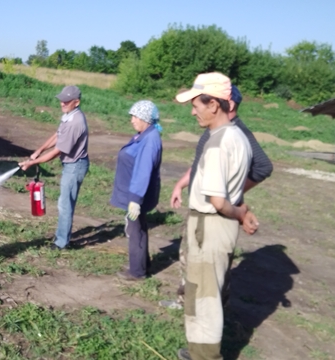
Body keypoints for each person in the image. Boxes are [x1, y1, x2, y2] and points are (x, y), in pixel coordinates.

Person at [161, 84, 273, 310]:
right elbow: (201, 164)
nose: (194, 112)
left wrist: (233, 194)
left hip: (214, 213)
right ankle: (189, 302)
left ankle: (209, 310)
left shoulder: (235, 133)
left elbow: (263, 166)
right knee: (191, 259)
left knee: (210, 270)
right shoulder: (214, 131)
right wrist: (181, 184)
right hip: (202, 208)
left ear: (225, 105)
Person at [173, 72, 254, 360]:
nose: (193, 110)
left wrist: (240, 212)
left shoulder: (219, 143)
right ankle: (198, 350)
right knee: (203, 292)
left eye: (196, 104)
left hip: (210, 225)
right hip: (214, 226)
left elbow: (219, 202)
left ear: (214, 105)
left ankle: (205, 356)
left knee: (205, 296)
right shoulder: (236, 137)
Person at [19, 85, 89, 250]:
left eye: (67, 101)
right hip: (70, 164)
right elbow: (57, 136)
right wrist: (39, 150)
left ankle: (61, 243)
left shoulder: (75, 122)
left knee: (65, 204)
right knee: (63, 202)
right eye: (61, 100)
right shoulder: (68, 116)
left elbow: (57, 152)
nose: (62, 104)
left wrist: (31, 163)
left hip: (75, 166)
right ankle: (62, 236)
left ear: (76, 102)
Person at [110, 100, 162, 281]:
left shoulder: (149, 140)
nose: (132, 120)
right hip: (134, 193)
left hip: (137, 195)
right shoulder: (144, 135)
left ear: (145, 118)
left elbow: (143, 171)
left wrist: (135, 200)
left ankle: (137, 272)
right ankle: (141, 264)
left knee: (135, 230)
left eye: (135, 116)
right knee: (138, 228)